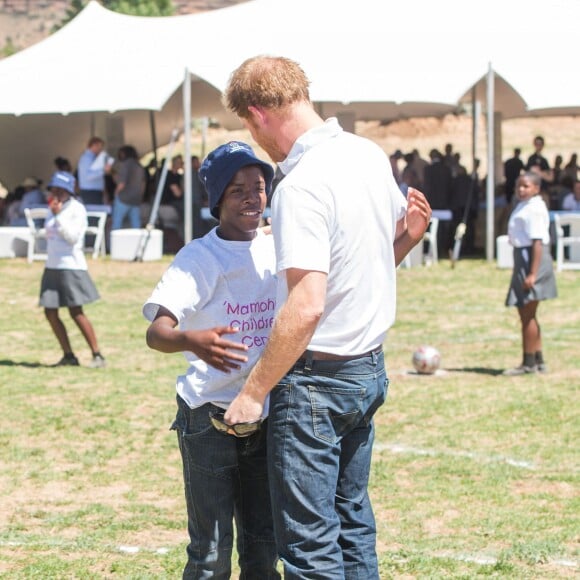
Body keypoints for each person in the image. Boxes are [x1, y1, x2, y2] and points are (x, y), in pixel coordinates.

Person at [222, 55, 431, 578]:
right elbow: (374, 257)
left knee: (310, 548)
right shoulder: (365, 153)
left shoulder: (300, 185)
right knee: (353, 524)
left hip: (317, 380)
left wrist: (253, 391)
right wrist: (411, 235)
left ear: (257, 113)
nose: (255, 140)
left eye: (249, 127)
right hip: (366, 369)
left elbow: (308, 301)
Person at [143, 141, 280, 579]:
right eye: (237, 189)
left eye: (258, 187)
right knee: (210, 553)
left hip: (266, 414)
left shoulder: (279, 245)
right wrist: (191, 340)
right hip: (208, 419)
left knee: (263, 548)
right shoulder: (200, 257)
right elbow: (156, 331)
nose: (251, 198)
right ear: (216, 198)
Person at [39, 171, 105, 368]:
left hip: (70, 266)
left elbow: (72, 238)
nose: (56, 194)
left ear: (68, 191)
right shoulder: (52, 208)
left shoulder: (76, 209)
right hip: (52, 265)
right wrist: (55, 214)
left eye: (60, 190)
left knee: (76, 312)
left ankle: (97, 354)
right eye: (53, 190)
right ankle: (68, 355)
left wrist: (58, 217)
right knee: (50, 312)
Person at [503, 172, 557, 376]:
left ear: (536, 188)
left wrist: (532, 273)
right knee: (529, 313)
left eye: (526, 186)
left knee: (527, 313)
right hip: (524, 256)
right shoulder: (526, 204)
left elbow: (537, 241)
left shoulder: (534, 208)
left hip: (530, 259)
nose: (521, 190)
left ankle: (528, 362)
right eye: (519, 186)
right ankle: (538, 358)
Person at [110, 145, 146, 230]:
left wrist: (116, 193)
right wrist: (140, 196)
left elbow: (121, 183)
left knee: (117, 223)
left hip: (124, 198)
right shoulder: (139, 166)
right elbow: (143, 184)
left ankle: (115, 243)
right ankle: (137, 242)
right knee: (136, 224)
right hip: (136, 199)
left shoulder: (125, 165)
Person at [76, 137, 113, 206]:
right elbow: (88, 176)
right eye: (100, 146)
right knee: (94, 214)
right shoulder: (86, 158)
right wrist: (103, 170)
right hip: (90, 192)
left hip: (94, 191)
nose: (101, 149)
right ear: (94, 145)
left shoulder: (93, 158)